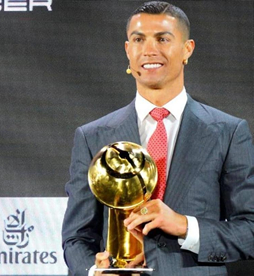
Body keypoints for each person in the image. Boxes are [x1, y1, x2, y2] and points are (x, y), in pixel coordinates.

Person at [61, 2, 254, 275]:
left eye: (163, 39)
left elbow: (250, 230)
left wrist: (184, 225)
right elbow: (76, 237)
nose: (150, 50)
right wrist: (93, 270)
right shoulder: (92, 137)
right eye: (139, 39)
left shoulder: (228, 132)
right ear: (128, 51)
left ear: (187, 49)